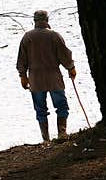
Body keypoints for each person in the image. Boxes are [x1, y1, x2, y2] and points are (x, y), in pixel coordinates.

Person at [16, 10, 77, 143]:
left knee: (40, 110)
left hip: (35, 79)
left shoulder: (27, 37)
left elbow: (21, 59)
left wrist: (23, 76)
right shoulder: (54, 36)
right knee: (61, 106)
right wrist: (71, 68)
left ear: (34, 21)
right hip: (54, 77)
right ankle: (62, 133)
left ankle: (46, 138)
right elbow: (64, 55)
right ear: (47, 20)